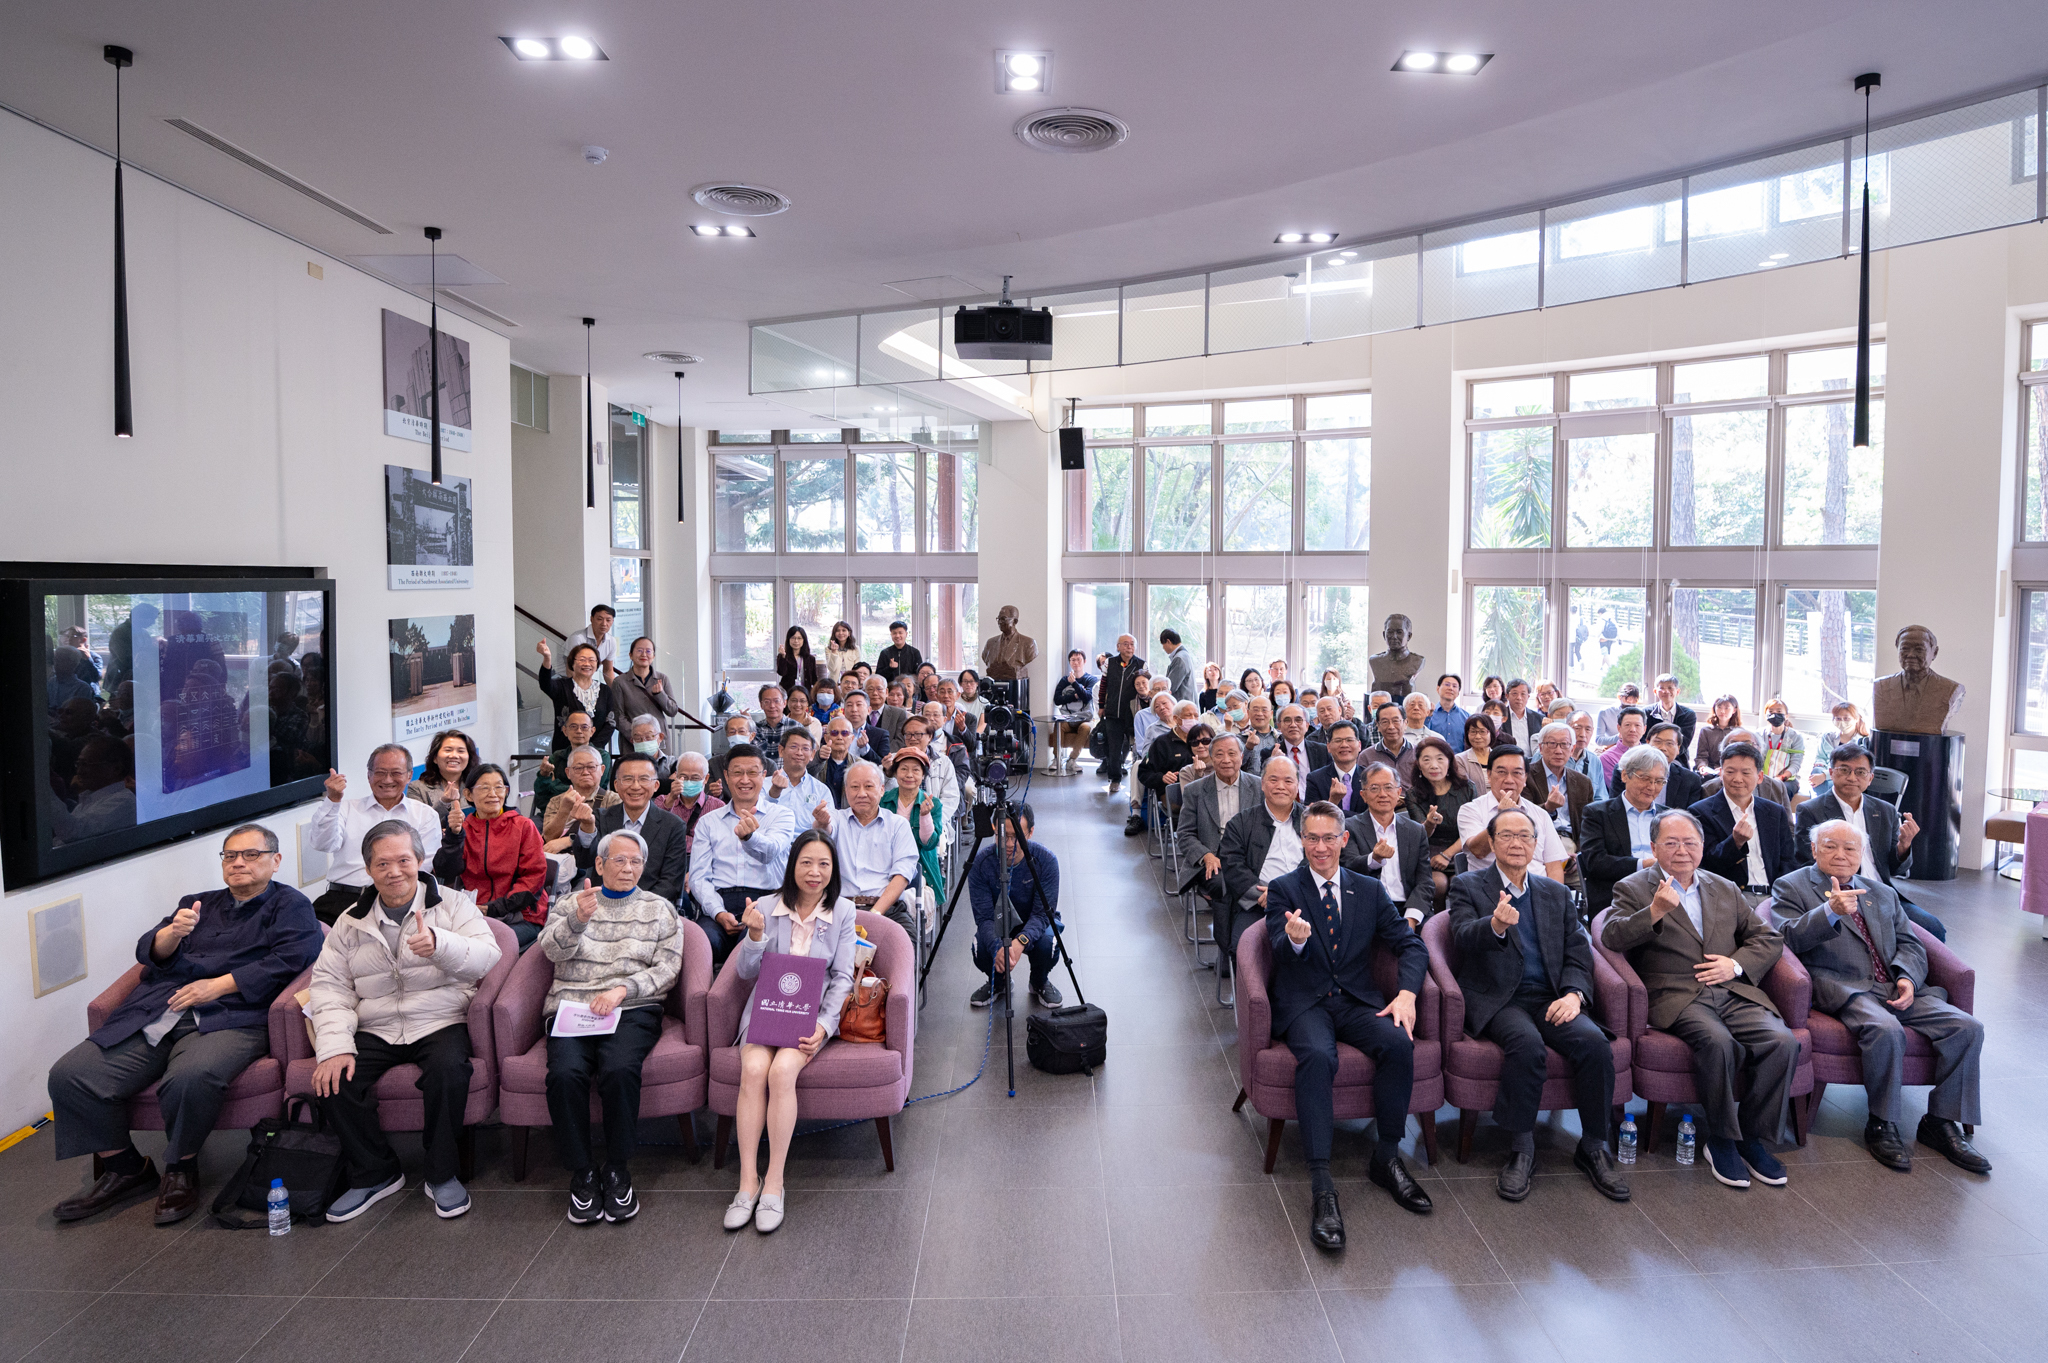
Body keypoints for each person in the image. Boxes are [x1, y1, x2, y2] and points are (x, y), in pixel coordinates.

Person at [48, 824, 321, 1226]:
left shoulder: (290, 905)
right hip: (161, 1011)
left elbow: (295, 957)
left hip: (232, 1016)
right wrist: (171, 935)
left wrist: (219, 986)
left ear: (275, 861)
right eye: (231, 856)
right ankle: (124, 1169)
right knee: (71, 1074)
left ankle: (181, 1167)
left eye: (251, 854)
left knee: (191, 1076)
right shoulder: (197, 903)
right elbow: (149, 951)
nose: (239, 863)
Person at [311, 819, 502, 1222]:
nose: (394, 871)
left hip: (439, 1016)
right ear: (368, 869)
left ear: (419, 859)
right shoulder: (349, 921)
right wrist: (334, 1047)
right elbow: (329, 986)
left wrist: (440, 945)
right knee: (333, 1080)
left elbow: (487, 956)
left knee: (449, 1072)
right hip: (376, 1023)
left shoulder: (452, 904)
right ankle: (374, 1172)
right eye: (382, 864)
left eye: (403, 860)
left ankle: (442, 1173)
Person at [1774, 820, 1987, 1173]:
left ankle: (1941, 1122)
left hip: (1894, 984)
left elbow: (1911, 942)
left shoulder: (1881, 892)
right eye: (1830, 846)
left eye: (1850, 848)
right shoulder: (1792, 886)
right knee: (1885, 1029)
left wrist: (1907, 978)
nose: (1841, 855)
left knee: (1967, 1028)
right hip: (1844, 987)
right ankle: (1882, 1122)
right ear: (1814, 850)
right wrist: (1829, 912)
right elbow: (1783, 939)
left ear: (1861, 855)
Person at [1603, 811, 1796, 1191]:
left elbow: (1768, 938)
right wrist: (1654, 911)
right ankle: (1721, 1139)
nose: (1681, 851)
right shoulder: (1632, 887)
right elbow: (1611, 936)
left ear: (1703, 848)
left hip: (1731, 990)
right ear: (1654, 847)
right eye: (1671, 843)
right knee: (1718, 1042)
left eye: (1690, 843)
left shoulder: (1723, 887)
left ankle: (1751, 1138)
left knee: (1783, 1041)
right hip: (1676, 994)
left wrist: (1736, 965)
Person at [1268, 801, 1432, 1249]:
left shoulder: (1369, 889)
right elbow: (1277, 949)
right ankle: (1322, 1184)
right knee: (1319, 1056)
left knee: (1399, 1044)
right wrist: (1295, 943)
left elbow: (1411, 947)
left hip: (1357, 999)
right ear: (1301, 841)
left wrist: (1406, 993)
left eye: (1328, 838)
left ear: (1344, 840)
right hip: (1306, 1003)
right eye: (1311, 838)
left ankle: (1386, 1158)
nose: (1320, 848)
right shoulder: (1284, 888)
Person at [1446, 808, 1629, 1202]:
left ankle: (1594, 1145)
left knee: (1595, 1044)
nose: (1517, 843)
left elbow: (1581, 953)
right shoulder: (1468, 885)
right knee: (1526, 1046)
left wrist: (1574, 994)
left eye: (1525, 836)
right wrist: (1494, 925)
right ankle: (1521, 1148)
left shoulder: (1555, 892)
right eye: (1507, 836)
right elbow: (1459, 937)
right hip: (1500, 997)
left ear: (1536, 843)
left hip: (1550, 995)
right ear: (1491, 843)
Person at [540, 830, 684, 1225]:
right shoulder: (573, 902)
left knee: (620, 1069)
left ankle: (618, 1169)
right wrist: (578, 920)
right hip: (572, 1005)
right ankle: (582, 1171)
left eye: (636, 861)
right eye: (619, 860)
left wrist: (624, 989)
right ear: (600, 864)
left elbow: (668, 969)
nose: (628, 868)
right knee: (565, 1074)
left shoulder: (660, 909)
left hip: (632, 1006)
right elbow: (551, 951)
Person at [725, 829, 861, 1234]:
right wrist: (753, 936)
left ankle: (775, 1183)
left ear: (833, 870)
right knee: (753, 1071)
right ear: (792, 866)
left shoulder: (844, 912)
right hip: (764, 1013)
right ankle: (747, 1181)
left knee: (782, 1072)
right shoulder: (767, 906)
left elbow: (841, 978)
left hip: (810, 1018)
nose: (814, 872)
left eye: (823, 864)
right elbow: (746, 973)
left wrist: (824, 1025)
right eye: (806, 862)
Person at [1791, 742, 1940, 939]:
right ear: (1831, 772)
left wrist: (1904, 847)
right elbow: (1806, 862)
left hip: (1883, 893)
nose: (1852, 777)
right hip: (1841, 892)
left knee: (1932, 927)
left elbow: (1897, 870)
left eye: (1860, 772)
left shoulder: (1885, 811)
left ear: (1870, 778)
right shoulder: (1811, 810)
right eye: (1844, 770)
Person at [307, 745, 444, 924]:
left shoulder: (425, 815)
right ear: (369, 775)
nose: (387, 780)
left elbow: (420, 868)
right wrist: (333, 799)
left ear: (409, 775)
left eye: (396, 773)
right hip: (342, 900)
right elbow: (322, 844)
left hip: (396, 901)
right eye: (380, 772)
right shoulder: (346, 808)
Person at [687, 744, 796, 969]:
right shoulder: (709, 821)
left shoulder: (782, 815)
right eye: (737, 772)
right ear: (726, 776)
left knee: (751, 947)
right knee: (700, 944)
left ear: (764, 775)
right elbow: (699, 877)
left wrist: (749, 838)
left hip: (766, 904)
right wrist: (718, 912)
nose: (744, 779)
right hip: (719, 903)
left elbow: (771, 852)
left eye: (752, 772)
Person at [432, 764, 550, 950]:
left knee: (485, 947)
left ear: (506, 791)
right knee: (442, 944)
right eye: (484, 788)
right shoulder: (465, 828)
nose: (493, 793)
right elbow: (445, 871)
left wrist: (493, 908)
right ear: (469, 795)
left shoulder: (523, 826)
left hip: (520, 915)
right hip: (474, 913)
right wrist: (454, 837)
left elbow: (533, 878)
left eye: (499, 787)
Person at [1176, 734, 1262, 969]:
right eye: (1220, 754)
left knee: (1248, 882)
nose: (1226, 760)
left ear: (1242, 757)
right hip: (1212, 862)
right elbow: (1184, 834)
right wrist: (1205, 855)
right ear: (1211, 758)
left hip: (1249, 861)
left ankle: (1244, 947)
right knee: (1225, 886)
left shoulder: (1258, 786)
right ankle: (1229, 951)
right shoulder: (1196, 790)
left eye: (1232, 753)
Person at [967, 803, 1064, 1009]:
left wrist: (1020, 941)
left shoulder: (1046, 861)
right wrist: (998, 947)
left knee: (1049, 944)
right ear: (994, 830)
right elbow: (983, 917)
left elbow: (1041, 914)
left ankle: (1039, 981)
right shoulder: (981, 864)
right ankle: (999, 983)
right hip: (999, 924)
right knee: (981, 949)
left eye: (1017, 836)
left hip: (1034, 921)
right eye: (1003, 836)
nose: (1009, 844)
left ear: (1030, 833)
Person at [815, 761, 921, 939]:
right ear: (846, 791)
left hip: (887, 910)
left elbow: (902, 876)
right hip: (838, 909)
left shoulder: (898, 825)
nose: (861, 793)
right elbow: (825, 830)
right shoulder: (837, 819)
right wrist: (822, 823)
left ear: (881, 790)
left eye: (868, 786)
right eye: (854, 787)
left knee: (903, 948)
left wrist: (875, 914)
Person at [1218, 757, 1307, 961]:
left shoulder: (1311, 820)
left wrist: (1285, 893)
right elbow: (1232, 866)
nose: (1281, 787)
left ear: (1297, 785)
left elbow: (1321, 859)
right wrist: (1269, 896)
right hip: (1257, 904)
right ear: (1262, 784)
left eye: (1288, 781)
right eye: (1273, 780)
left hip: (1305, 899)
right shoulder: (1240, 823)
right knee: (1247, 948)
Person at [585, 753, 692, 910]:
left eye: (643, 779)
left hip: (649, 908)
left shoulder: (673, 826)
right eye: (628, 779)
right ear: (616, 785)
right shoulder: (601, 818)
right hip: (604, 906)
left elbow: (670, 882)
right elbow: (585, 861)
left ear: (656, 786)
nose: (635, 786)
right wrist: (586, 827)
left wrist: (637, 906)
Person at [1690, 742, 1795, 900]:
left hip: (1774, 896)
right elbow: (1705, 864)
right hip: (1729, 897)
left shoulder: (1774, 812)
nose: (1737, 779)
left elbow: (1788, 860)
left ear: (1759, 777)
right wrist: (1735, 842)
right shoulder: (1700, 812)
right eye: (1730, 772)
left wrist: (1783, 895)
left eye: (1746, 773)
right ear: (1720, 773)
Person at [1579, 745, 1671, 914]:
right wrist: (1643, 865)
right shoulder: (1598, 813)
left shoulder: (1669, 817)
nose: (1652, 787)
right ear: (1624, 775)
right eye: (1645, 778)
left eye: (1659, 781)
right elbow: (1595, 862)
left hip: (1665, 893)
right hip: (1617, 897)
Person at [1340, 762, 1435, 924]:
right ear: (1363, 795)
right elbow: (1348, 868)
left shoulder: (1415, 831)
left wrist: (1411, 919)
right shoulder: (1349, 827)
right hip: (1367, 908)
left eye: (1388, 787)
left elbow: (1425, 881)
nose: (1382, 794)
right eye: (1375, 788)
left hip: (1408, 906)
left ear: (1398, 793)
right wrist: (1374, 859)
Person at [1457, 747, 1568, 880]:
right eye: (1502, 772)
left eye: (1517, 773)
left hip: (1537, 890)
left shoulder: (1540, 814)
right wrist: (1501, 817)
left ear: (1525, 778)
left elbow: (1554, 866)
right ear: (1489, 775)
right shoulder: (1470, 810)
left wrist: (1554, 900)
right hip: (1491, 891)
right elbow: (1478, 851)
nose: (1509, 780)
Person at [1406, 734, 1474, 904]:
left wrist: (1448, 854)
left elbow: (1474, 828)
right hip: (1430, 854)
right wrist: (1429, 823)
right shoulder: (1413, 794)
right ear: (1419, 765)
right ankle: (1434, 927)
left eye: (1439, 759)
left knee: (1460, 885)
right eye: (1426, 760)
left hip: (1462, 850)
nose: (1434, 765)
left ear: (1450, 762)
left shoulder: (1467, 788)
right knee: (1439, 884)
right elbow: (1421, 835)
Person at [1524, 721, 1595, 869]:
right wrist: (1548, 807)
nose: (1558, 750)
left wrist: (1580, 855)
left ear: (1572, 749)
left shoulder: (1583, 782)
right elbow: (1522, 816)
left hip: (1571, 844)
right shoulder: (1526, 776)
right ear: (1541, 748)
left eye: (1564, 744)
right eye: (1552, 744)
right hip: (1538, 843)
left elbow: (1589, 825)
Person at [882, 746, 947, 902]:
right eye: (903, 769)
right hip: (886, 864)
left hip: (920, 865)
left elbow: (929, 844)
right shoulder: (883, 800)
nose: (909, 775)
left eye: (916, 770)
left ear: (923, 775)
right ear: (896, 773)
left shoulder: (934, 804)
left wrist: (925, 816)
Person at [534, 639, 617, 752]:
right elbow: (545, 684)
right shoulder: (562, 686)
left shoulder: (605, 690)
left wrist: (592, 748)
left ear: (597, 664)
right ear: (572, 663)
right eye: (582, 660)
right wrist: (547, 658)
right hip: (564, 752)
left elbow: (610, 723)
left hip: (596, 754)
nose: (587, 664)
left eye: (592, 660)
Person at [544, 745, 623, 857]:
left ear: (602, 770)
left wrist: (571, 840)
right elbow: (549, 838)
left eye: (591, 767)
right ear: (568, 773)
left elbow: (614, 837)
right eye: (578, 768)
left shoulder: (614, 800)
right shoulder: (557, 801)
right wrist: (564, 809)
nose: (585, 772)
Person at [533, 711, 612, 815]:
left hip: (591, 810)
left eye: (584, 727)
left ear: (592, 731)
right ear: (565, 731)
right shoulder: (557, 757)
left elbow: (590, 790)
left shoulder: (601, 756)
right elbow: (541, 797)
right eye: (573, 726)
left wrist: (554, 784)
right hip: (555, 810)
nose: (579, 731)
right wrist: (544, 775)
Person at [653, 750, 723, 856]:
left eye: (695, 778)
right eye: (684, 777)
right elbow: (654, 830)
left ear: (706, 778)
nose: (689, 782)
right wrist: (671, 798)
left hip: (704, 861)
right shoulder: (661, 801)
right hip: (669, 861)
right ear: (676, 776)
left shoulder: (718, 807)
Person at [611, 635, 681, 736]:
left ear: (653, 656)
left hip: (659, 738)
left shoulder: (662, 679)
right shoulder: (620, 682)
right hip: (632, 740)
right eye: (639, 650)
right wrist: (637, 735)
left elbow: (672, 711)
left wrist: (660, 695)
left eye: (648, 651)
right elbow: (619, 717)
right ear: (630, 655)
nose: (644, 654)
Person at [407, 729, 478, 824]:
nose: (454, 755)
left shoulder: (477, 785)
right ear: (435, 758)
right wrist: (444, 802)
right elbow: (417, 825)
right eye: (448, 750)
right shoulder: (417, 788)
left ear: (469, 758)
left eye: (461, 751)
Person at [1306, 717, 1371, 817]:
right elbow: (1313, 818)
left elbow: (1374, 817)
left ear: (1359, 745)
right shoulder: (1315, 779)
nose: (1344, 745)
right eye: (1338, 740)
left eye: (1349, 740)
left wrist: (1328, 809)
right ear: (1328, 747)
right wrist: (1333, 801)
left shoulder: (1370, 777)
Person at [766, 726, 833, 822]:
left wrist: (823, 823)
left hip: (810, 837)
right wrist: (774, 793)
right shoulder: (764, 785)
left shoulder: (822, 790)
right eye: (794, 747)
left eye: (805, 748)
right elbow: (758, 818)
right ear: (781, 750)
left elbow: (831, 827)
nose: (799, 753)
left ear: (812, 754)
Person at [1808, 701, 1872, 796]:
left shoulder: (1861, 742)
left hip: (1848, 777)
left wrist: (1825, 775)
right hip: (1828, 775)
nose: (1842, 722)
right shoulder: (1828, 737)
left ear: (1856, 719)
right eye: (1838, 718)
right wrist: (1822, 770)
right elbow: (1820, 757)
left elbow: (1850, 767)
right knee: (1816, 771)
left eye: (1846, 719)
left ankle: (1829, 801)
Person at [1051, 648, 1098, 775]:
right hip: (1068, 718)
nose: (1076, 662)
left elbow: (1087, 696)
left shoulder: (1091, 679)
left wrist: (1075, 684)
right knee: (1058, 725)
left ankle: (1072, 759)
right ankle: (1057, 759)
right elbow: (1057, 700)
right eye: (1073, 660)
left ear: (1084, 661)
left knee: (1085, 728)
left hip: (1085, 718)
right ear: (1069, 662)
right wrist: (1075, 696)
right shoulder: (1064, 680)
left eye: (1079, 659)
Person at [1270, 703, 1330, 797]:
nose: (1293, 725)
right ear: (1279, 726)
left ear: (1307, 725)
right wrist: (1273, 763)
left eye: (1298, 720)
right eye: (1287, 720)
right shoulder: (1270, 753)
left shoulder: (1322, 751)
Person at [1645, 722, 1704, 809]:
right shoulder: (1628, 772)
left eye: (1669, 743)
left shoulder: (1691, 780)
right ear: (1647, 743)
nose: (1663, 748)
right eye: (1658, 742)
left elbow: (1690, 817)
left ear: (1678, 749)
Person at [1757, 697, 1805, 800]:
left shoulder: (1795, 736)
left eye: (1779, 711)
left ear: (1786, 716)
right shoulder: (1758, 735)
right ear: (1765, 715)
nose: (1775, 714)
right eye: (1771, 711)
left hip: (1787, 779)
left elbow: (1795, 764)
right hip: (1762, 776)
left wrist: (1782, 777)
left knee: (1779, 790)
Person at [1645, 673, 1697, 764]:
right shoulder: (1646, 712)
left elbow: (1682, 744)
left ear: (1677, 691)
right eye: (1662, 688)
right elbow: (1643, 740)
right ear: (1655, 691)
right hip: (1650, 758)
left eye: (1670, 688)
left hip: (1677, 760)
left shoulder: (1688, 715)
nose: (1666, 691)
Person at [565, 604, 620, 683]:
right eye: (599, 619)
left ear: (612, 622)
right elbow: (571, 669)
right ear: (591, 619)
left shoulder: (611, 641)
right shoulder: (578, 638)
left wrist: (616, 692)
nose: (604, 624)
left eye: (608, 620)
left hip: (584, 681)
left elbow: (608, 671)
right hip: (563, 679)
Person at [810, 715, 856, 808]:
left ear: (852, 738)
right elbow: (804, 772)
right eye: (834, 733)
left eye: (845, 733)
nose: (839, 737)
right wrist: (818, 758)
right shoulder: (816, 760)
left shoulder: (859, 765)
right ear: (826, 738)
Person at [623, 714, 677, 789]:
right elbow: (620, 789)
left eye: (648, 737)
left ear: (660, 737)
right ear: (632, 741)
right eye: (638, 738)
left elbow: (677, 787)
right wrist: (667, 783)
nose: (643, 741)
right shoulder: (623, 764)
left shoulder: (672, 763)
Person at [1599, 706, 1648, 788]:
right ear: (1619, 728)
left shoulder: (1650, 754)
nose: (1632, 729)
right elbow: (1618, 788)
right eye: (1627, 725)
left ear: (1644, 729)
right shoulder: (1607, 757)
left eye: (1637, 725)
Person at [839, 689, 893, 762]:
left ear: (869, 710)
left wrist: (865, 749)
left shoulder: (881, 735)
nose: (854, 709)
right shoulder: (836, 733)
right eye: (849, 705)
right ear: (844, 711)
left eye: (859, 705)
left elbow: (883, 765)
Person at [1695, 695, 1743, 772]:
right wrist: (1702, 767)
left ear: (1734, 710)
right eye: (1719, 707)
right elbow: (1701, 756)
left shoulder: (1740, 733)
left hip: (1731, 771)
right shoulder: (1706, 731)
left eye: (1726, 708)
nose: (1722, 711)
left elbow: (1741, 758)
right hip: (1710, 771)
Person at [1567, 710, 1607, 798]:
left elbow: (1601, 798)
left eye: (1588, 729)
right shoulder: (1552, 755)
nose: (1583, 734)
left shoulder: (1595, 761)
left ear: (1592, 731)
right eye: (1577, 728)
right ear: (1567, 729)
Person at [1425, 673, 1468, 749]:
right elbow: (1423, 736)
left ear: (1458, 692)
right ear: (1438, 689)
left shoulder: (1466, 717)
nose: (1450, 688)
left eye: (1454, 686)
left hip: (1458, 759)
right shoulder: (1428, 714)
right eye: (1447, 684)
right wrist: (1427, 717)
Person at [775, 625, 822, 693]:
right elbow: (781, 672)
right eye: (793, 638)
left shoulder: (810, 659)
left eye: (799, 638)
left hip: (805, 692)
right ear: (788, 640)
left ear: (804, 640)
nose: (796, 641)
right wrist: (783, 656)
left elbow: (814, 679)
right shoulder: (783, 656)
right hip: (788, 692)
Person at [1595, 683, 1642, 750]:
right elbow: (1599, 740)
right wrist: (1619, 736)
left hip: (1635, 750)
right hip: (1613, 750)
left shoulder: (1641, 713)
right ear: (1619, 697)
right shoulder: (1605, 712)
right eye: (1627, 699)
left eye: (1634, 700)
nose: (1631, 703)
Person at [1499, 678, 1541, 752]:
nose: (1519, 698)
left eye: (1523, 694)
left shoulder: (1539, 718)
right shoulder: (1500, 717)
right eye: (1515, 693)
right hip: (1509, 761)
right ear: (1507, 696)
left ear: (1528, 696)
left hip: (1532, 761)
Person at [1458, 713, 1496, 790]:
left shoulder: (1499, 758)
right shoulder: (1460, 760)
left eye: (1482, 731)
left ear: (1491, 733)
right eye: (1473, 732)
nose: (1478, 736)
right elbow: (1462, 791)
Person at [870, 676, 911, 746]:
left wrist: (883, 753)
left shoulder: (901, 714)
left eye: (898, 695)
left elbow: (899, 742)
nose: (894, 699)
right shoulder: (860, 711)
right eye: (891, 695)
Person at [1158, 628, 1196, 703]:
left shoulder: (1179, 658)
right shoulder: (1184, 655)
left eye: (1163, 644)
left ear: (1168, 642)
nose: (1163, 648)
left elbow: (1170, 686)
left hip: (1182, 706)